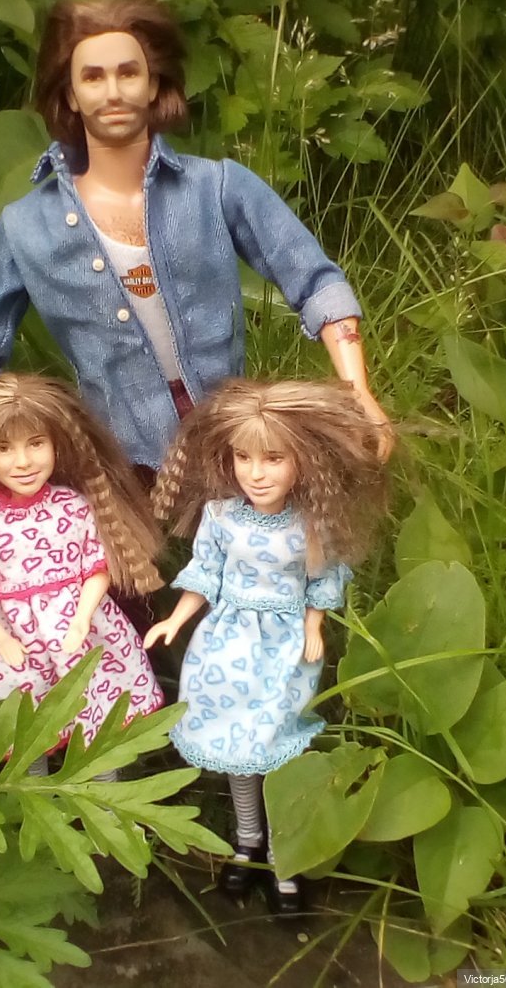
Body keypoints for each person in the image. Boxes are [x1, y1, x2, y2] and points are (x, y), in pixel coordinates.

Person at [0, 0, 391, 522]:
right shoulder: (26, 226)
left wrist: (358, 392)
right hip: (117, 454)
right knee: (129, 567)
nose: (113, 92)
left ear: (153, 85)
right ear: (70, 94)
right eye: (93, 77)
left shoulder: (217, 188)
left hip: (230, 440)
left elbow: (315, 281)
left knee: (255, 551)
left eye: (128, 73)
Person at [144, 379, 388, 911]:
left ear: (303, 461)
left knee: (274, 749)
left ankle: (283, 856)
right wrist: (176, 619)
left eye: (273, 459)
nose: (256, 473)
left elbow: (321, 579)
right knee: (238, 750)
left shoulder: (309, 524)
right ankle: (247, 842)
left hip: (283, 649)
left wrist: (314, 627)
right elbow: (205, 573)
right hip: (225, 648)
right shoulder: (221, 517)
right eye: (244, 458)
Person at [0, 372, 164, 777]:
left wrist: (82, 618)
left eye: (36, 443)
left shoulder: (74, 507)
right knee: (26, 731)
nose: (23, 461)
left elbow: (96, 567)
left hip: (82, 632)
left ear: (56, 443)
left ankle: (108, 802)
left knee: (99, 719)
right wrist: (2, 639)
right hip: (18, 645)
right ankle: (37, 800)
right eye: (3, 449)